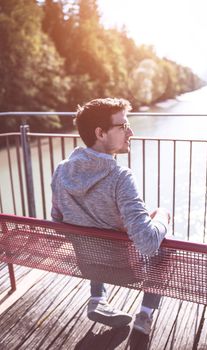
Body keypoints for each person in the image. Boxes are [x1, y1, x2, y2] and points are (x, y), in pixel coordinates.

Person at [51, 98, 170, 335]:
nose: (131, 132)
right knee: (163, 235)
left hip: (90, 266)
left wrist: (108, 224)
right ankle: (144, 315)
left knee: (94, 229)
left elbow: (58, 221)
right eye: (123, 126)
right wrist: (164, 215)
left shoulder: (62, 169)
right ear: (100, 133)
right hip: (126, 269)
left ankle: (97, 298)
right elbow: (146, 243)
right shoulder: (120, 177)